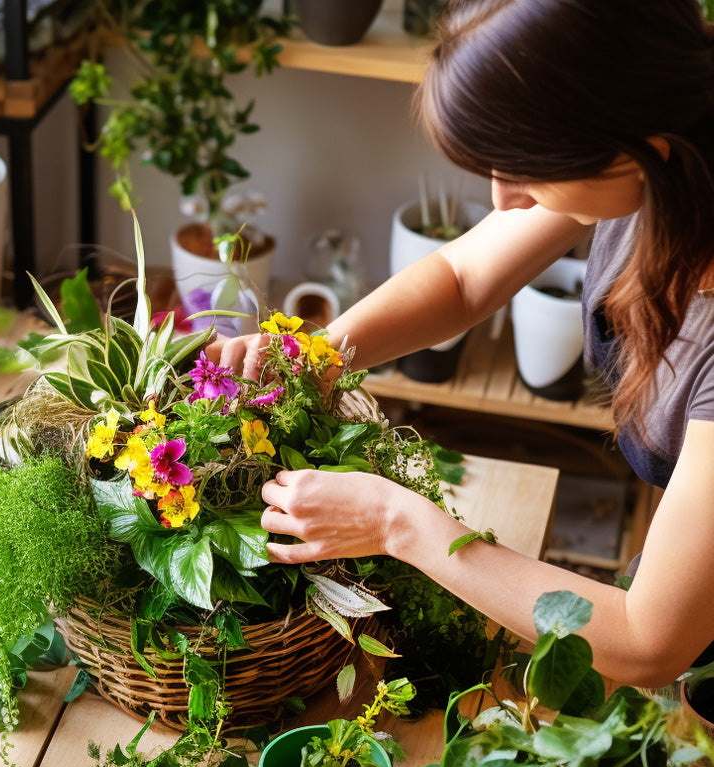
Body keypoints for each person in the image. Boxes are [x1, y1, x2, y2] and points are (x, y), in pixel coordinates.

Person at [208, 0, 714, 689]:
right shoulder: (665, 153)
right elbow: (461, 278)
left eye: (526, 170)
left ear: (636, 151)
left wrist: (397, 522)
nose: (506, 200)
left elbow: (648, 641)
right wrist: (318, 357)